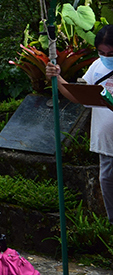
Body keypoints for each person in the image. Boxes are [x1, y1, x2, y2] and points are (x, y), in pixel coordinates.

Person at [45, 23, 113, 223]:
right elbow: (78, 97)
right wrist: (57, 77)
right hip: (106, 147)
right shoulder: (97, 66)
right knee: (108, 192)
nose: (106, 57)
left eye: (111, 53)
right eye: (102, 52)